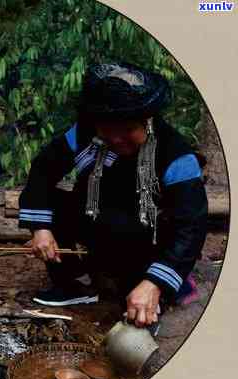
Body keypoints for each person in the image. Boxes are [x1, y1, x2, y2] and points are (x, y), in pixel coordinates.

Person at [19, 62, 208, 328]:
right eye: (108, 130)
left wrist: (155, 282)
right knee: (53, 207)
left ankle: (154, 286)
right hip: (98, 216)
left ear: (147, 120)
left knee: (147, 280)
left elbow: (190, 227)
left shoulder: (176, 155)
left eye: (128, 130)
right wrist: (40, 229)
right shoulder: (84, 131)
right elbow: (43, 169)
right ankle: (76, 285)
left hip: (147, 234)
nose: (117, 140)